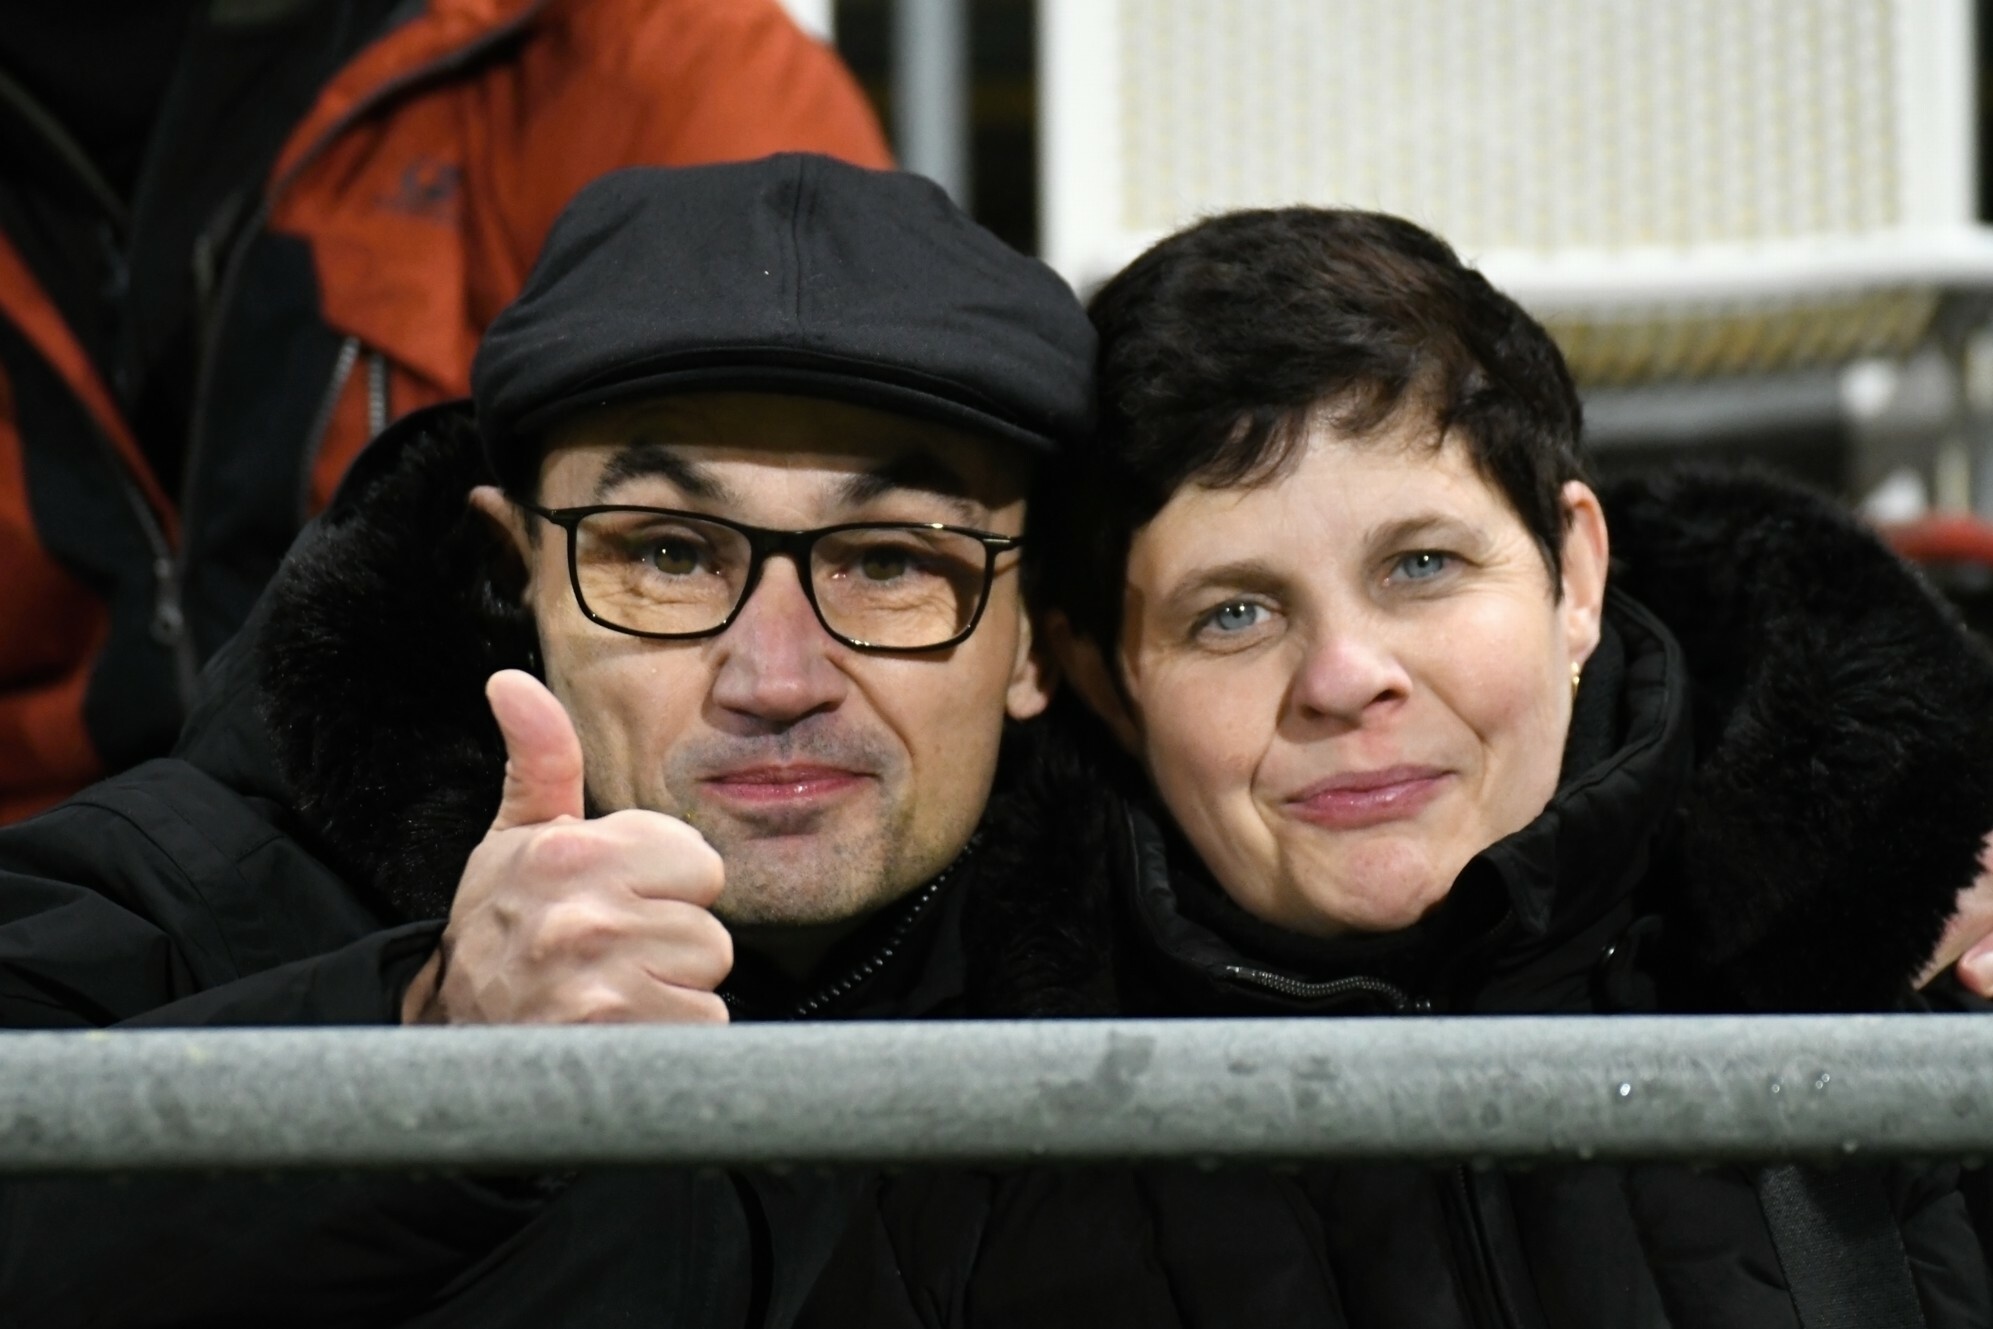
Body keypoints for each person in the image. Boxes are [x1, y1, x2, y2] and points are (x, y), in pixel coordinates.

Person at [801, 207, 1993, 1327]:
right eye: (1232, 614)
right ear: (1101, 679)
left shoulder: (1931, 954)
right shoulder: (966, 1149)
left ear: (1574, 576)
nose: (1343, 676)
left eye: (1420, 566)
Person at [0, 153, 1094, 1327]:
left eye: (889, 561)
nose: (778, 681)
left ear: (1036, 636)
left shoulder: (1167, 941)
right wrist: (421, 1048)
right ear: (514, 576)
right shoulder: (201, 896)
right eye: (668, 553)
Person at [0, 0, 891, 823]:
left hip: (493, 854)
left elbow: (825, 558)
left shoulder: (649, 63)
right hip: (62, 874)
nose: (781, 679)